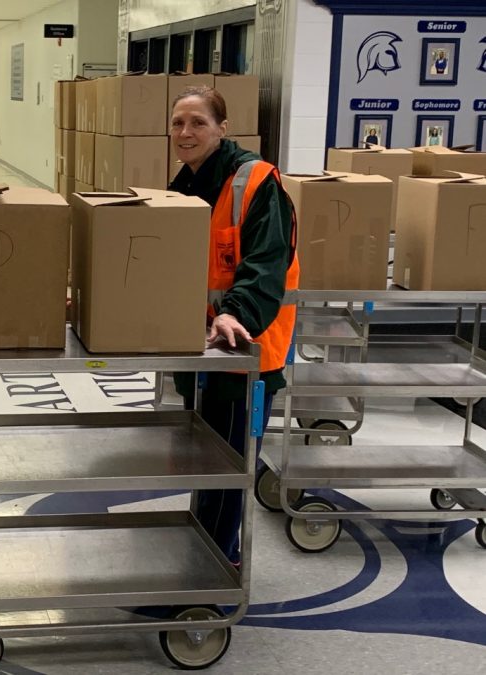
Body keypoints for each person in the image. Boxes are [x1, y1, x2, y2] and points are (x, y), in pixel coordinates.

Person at [168, 86, 299, 567]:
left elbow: (267, 266)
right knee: (205, 462)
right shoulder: (182, 185)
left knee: (228, 468)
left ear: (223, 129)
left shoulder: (256, 182)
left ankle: (216, 571)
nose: (186, 132)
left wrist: (233, 313)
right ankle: (212, 553)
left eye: (198, 122)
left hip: (244, 349)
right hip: (199, 348)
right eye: (178, 122)